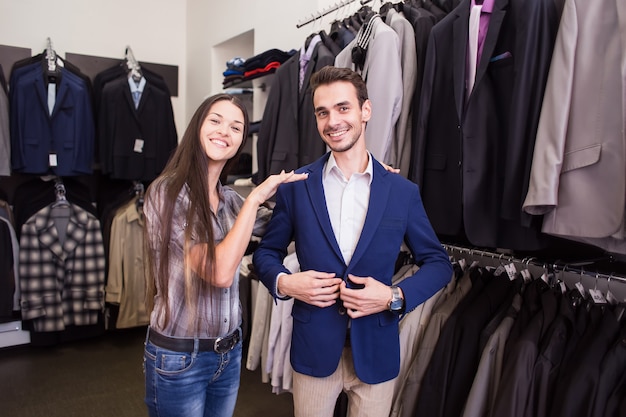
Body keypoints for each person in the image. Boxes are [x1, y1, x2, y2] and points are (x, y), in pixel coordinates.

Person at [252, 65, 453, 417]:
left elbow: (438, 264)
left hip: (377, 351)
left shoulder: (401, 192)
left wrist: (394, 296)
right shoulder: (298, 186)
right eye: (322, 112)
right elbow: (266, 253)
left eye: (343, 108)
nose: (333, 121)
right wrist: (286, 281)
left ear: (366, 111)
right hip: (314, 348)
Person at [142, 93, 308, 417]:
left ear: (241, 141)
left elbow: (291, 223)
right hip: (180, 359)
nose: (224, 132)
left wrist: (351, 175)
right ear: (198, 127)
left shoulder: (230, 200)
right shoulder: (167, 193)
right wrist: (256, 197)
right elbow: (218, 272)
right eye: (215, 121)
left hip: (228, 355)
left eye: (236, 127)